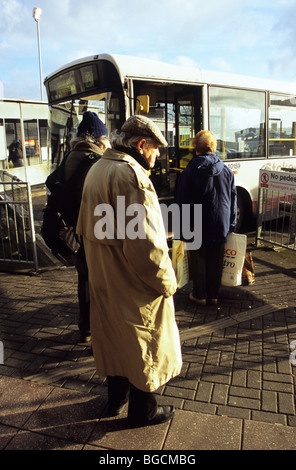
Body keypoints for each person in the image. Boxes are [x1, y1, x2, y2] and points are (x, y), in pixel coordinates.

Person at [76, 115, 182, 427]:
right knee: (143, 344)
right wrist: (167, 281)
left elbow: (88, 227)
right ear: (140, 145)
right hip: (131, 281)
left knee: (115, 338)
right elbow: (146, 246)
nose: (158, 156)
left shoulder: (98, 168)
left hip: (104, 275)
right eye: (156, 149)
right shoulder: (131, 176)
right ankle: (143, 411)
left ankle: (116, 399)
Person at [64, 111, 110, 342]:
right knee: (98, 280)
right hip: (91, 230)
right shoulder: (95, 160)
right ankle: (96, 330)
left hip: (74, 229)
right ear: (100, 140)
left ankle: (86, 327)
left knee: (84, 278)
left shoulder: (70, 156)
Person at [175, 130, 237, 305]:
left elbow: (182, 200)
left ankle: (199, 295)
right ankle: (213, 295)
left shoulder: (189, 171)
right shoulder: (226, 171)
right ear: (214, 147)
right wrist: (231, 224)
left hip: (196, 221)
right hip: (220, 221)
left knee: (199, 258)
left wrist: (182, 227)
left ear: (196, 148)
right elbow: (233, 199)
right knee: (216, 259)